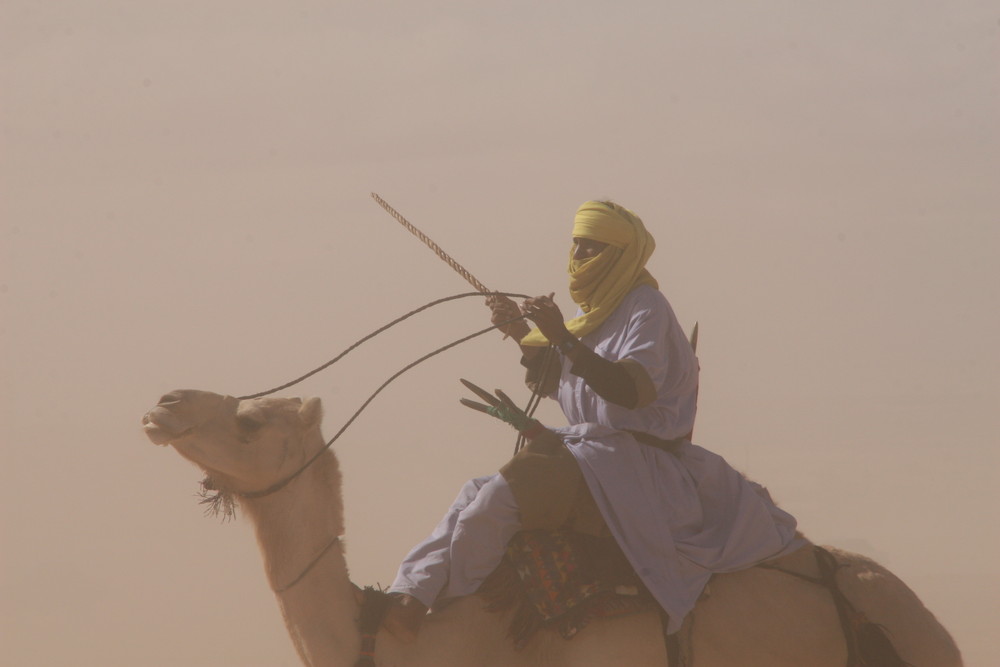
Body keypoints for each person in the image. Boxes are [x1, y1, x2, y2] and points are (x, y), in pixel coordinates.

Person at [383, 200, 802, 641]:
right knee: (471, 493)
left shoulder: (646, 306)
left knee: (493, 506)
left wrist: (562, 335)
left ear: (620, 255)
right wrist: (518, 332)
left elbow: (629, 390)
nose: (578, 257)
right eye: (577, 246)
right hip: (592, 452)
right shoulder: (595, 314)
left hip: (634, 461)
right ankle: (408, 597)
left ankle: (461, 622)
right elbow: (563, 382)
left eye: (591, 248)